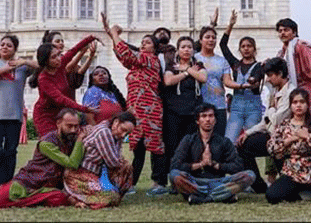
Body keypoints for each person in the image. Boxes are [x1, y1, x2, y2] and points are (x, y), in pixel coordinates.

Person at [101, 12, 168, 195]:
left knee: (155, 146)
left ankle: (159, 183)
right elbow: (123, 57)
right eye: (142, 42)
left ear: (154, 48)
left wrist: (115, 34)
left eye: (147, 43)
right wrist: (112, 35)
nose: (143, 45)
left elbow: (127, 54)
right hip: (136, 110)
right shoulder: (138, 63)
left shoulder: (149, 59)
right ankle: (131, 183)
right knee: (138, 147)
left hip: (151, 109)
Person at [0, 108, 85, 209]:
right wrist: (80, 139)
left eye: (76, 126)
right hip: (27, 182)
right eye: (69, 126)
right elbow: (72, 163)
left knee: (59, 198)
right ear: (58, 123)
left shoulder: (70, 140)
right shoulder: (46, 143)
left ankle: (21, 198)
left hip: (46, 188)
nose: (73, 130)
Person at [169, 103, 255, 204]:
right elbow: (175, 165)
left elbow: (238, 166)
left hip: (219, 182)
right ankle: (221, 196)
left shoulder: (224, 142)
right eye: (203, 116)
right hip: (195, 182)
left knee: (250, 175)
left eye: (211, 116)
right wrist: (201, 164)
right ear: (197, 121)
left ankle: (202, 198)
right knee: (174, 175)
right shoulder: (188, 140)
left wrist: (215, 165)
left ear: (215, 120)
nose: (207, 119)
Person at [236, 57, 295, 194]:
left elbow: (276, 120)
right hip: (272, 136)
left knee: (289, 185)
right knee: (243, 145)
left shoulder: (291, 92)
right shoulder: (274, 92)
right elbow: (266, 121)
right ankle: (258, 186)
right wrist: (247, 133)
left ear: (280, 74)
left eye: (270, 75)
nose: (267, 79)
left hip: (285, 140)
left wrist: (272, 107)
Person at [0, 34, 32, 186]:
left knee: (10, 152)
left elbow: (41, 65)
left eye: (9, 45)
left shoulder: (21, 66)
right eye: (2, 44)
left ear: (15, 49)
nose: (4, 47)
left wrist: (24, 61)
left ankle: (6, 185)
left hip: (14, 116)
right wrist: (7, 68)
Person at [63, 111, 137, 209]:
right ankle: (73, 197)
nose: (123, 135)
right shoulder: (104, 132)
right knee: (111, 197)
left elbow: (117, 159)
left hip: (96, 174)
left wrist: (119, 160)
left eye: (127, 133)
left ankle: (107, 191)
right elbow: (112, 162)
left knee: (126, 167)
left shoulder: (115, 135)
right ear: (116, 122)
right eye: (123, 130)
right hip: (79, 175)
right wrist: (119, 160)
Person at [29, 35, 99, 137]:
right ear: (45, 61)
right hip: (45, 115)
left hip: (61, 113)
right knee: (50, 141)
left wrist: (91, 38)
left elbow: (73, 50)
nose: (58, 59)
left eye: (58, 54)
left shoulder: (61, 64)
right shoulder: (44, 79)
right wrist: (84, 109)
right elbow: (61, 99)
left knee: (67, 141)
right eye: (54, 57)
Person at [161, 38, 208, 169]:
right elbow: (168, 81)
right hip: (173, 112)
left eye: (189, 47)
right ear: (178, 50)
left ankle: (190, 173)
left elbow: (203, 77)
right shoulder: (172, 65)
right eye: (183, 47)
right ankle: (174, 174)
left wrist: (187, 68)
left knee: (192, 146)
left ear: (193, 50)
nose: (186, 50)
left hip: (193, 112)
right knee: (172, 146)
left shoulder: (198, 65)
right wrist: (187, 73)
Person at [220, 9, 264, 142]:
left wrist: (254, 81)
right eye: (243, 46)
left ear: (254, 49)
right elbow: (223, 45)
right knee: (229, 140)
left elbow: (257, 78)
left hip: (253, 107)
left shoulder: (260, 66)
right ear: (239, 49)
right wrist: (230, 25)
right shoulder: (235, 64)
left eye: (249, 46)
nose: (246, 48)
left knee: (250, 140)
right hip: (237, 107)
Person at [194, 26, 233, 138]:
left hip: (219, 106)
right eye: (207, 37)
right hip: (199, 105)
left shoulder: (222, 61)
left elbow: (227, 81)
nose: (211, 40)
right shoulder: (194, 58)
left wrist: (242, 85)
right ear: (200, 40)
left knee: (218, 139)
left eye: (213, 37)